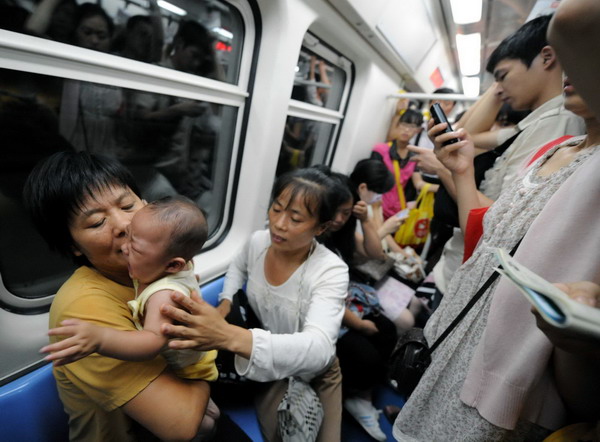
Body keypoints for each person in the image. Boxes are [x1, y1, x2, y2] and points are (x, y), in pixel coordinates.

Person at [392, 68, 600, 440]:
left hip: (502, 382)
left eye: (586, 53)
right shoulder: (553, 149)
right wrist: (462, 170)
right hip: (455, 342)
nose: (571, 64)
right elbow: (490, 240)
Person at [23, 151, 213, 441]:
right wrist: (208, 354)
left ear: (146, 205)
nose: (124, 225)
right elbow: (181, 425)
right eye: (97, 222)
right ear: (72, 244)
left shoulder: (164, 262)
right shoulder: (84, 307)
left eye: (128, 205)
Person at [157, 168, 350, 442]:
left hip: (314, 371)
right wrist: (225, 302)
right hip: (268, 363)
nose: (279, 224)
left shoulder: (331, 270)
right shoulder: (260, 241)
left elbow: (319, 349)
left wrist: (227, 335)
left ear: (320, 228)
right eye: (276, 209)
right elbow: (238, 267)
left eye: (295, 218)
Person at [409, 14, 585, 304]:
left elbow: (502, 219)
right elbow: (467, 135)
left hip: (471, 270)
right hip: (459, 262)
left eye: (503, 76)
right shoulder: (534, 122)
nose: (500, 89)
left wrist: (444, 170)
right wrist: (497, 89)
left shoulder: (558, 124)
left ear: (546, 58)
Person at [316, 165, 398, 441]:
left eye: (346, 213)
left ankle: (360, 394)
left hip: (343, 300)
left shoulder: (339, 235)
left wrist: (365, 220)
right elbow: (324, 299)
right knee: (367, 355)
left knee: (388, 329)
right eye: (336, 212)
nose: (339, 219)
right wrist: (360, 326)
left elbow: (375, 253)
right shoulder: (311, 239)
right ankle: (355, 395)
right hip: (325, 310)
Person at [372, 109, 438, 221]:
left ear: (418, 130)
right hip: (378, 206)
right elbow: (372, 182)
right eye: (404, 124)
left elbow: (418, 183)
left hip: (399, 210)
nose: (406, 130)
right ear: (398, 125)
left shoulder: (414, 157)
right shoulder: (381, 150)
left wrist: (443, 188)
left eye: (412, 126)